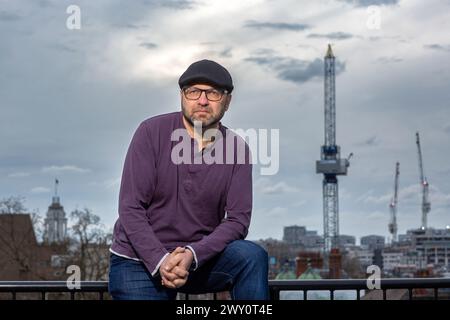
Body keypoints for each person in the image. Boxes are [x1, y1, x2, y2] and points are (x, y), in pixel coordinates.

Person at [108, 59, 269, 300]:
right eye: (193, 91)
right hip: (139, 260)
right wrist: (161, 260)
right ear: (182, 96)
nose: (202, 100)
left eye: (213, 93)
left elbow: (237, 220)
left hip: (200, 259)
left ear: (227, 100)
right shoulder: (151, 132)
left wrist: (193, 254)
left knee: (252, 256)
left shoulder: (237, 149)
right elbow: (131, 207)